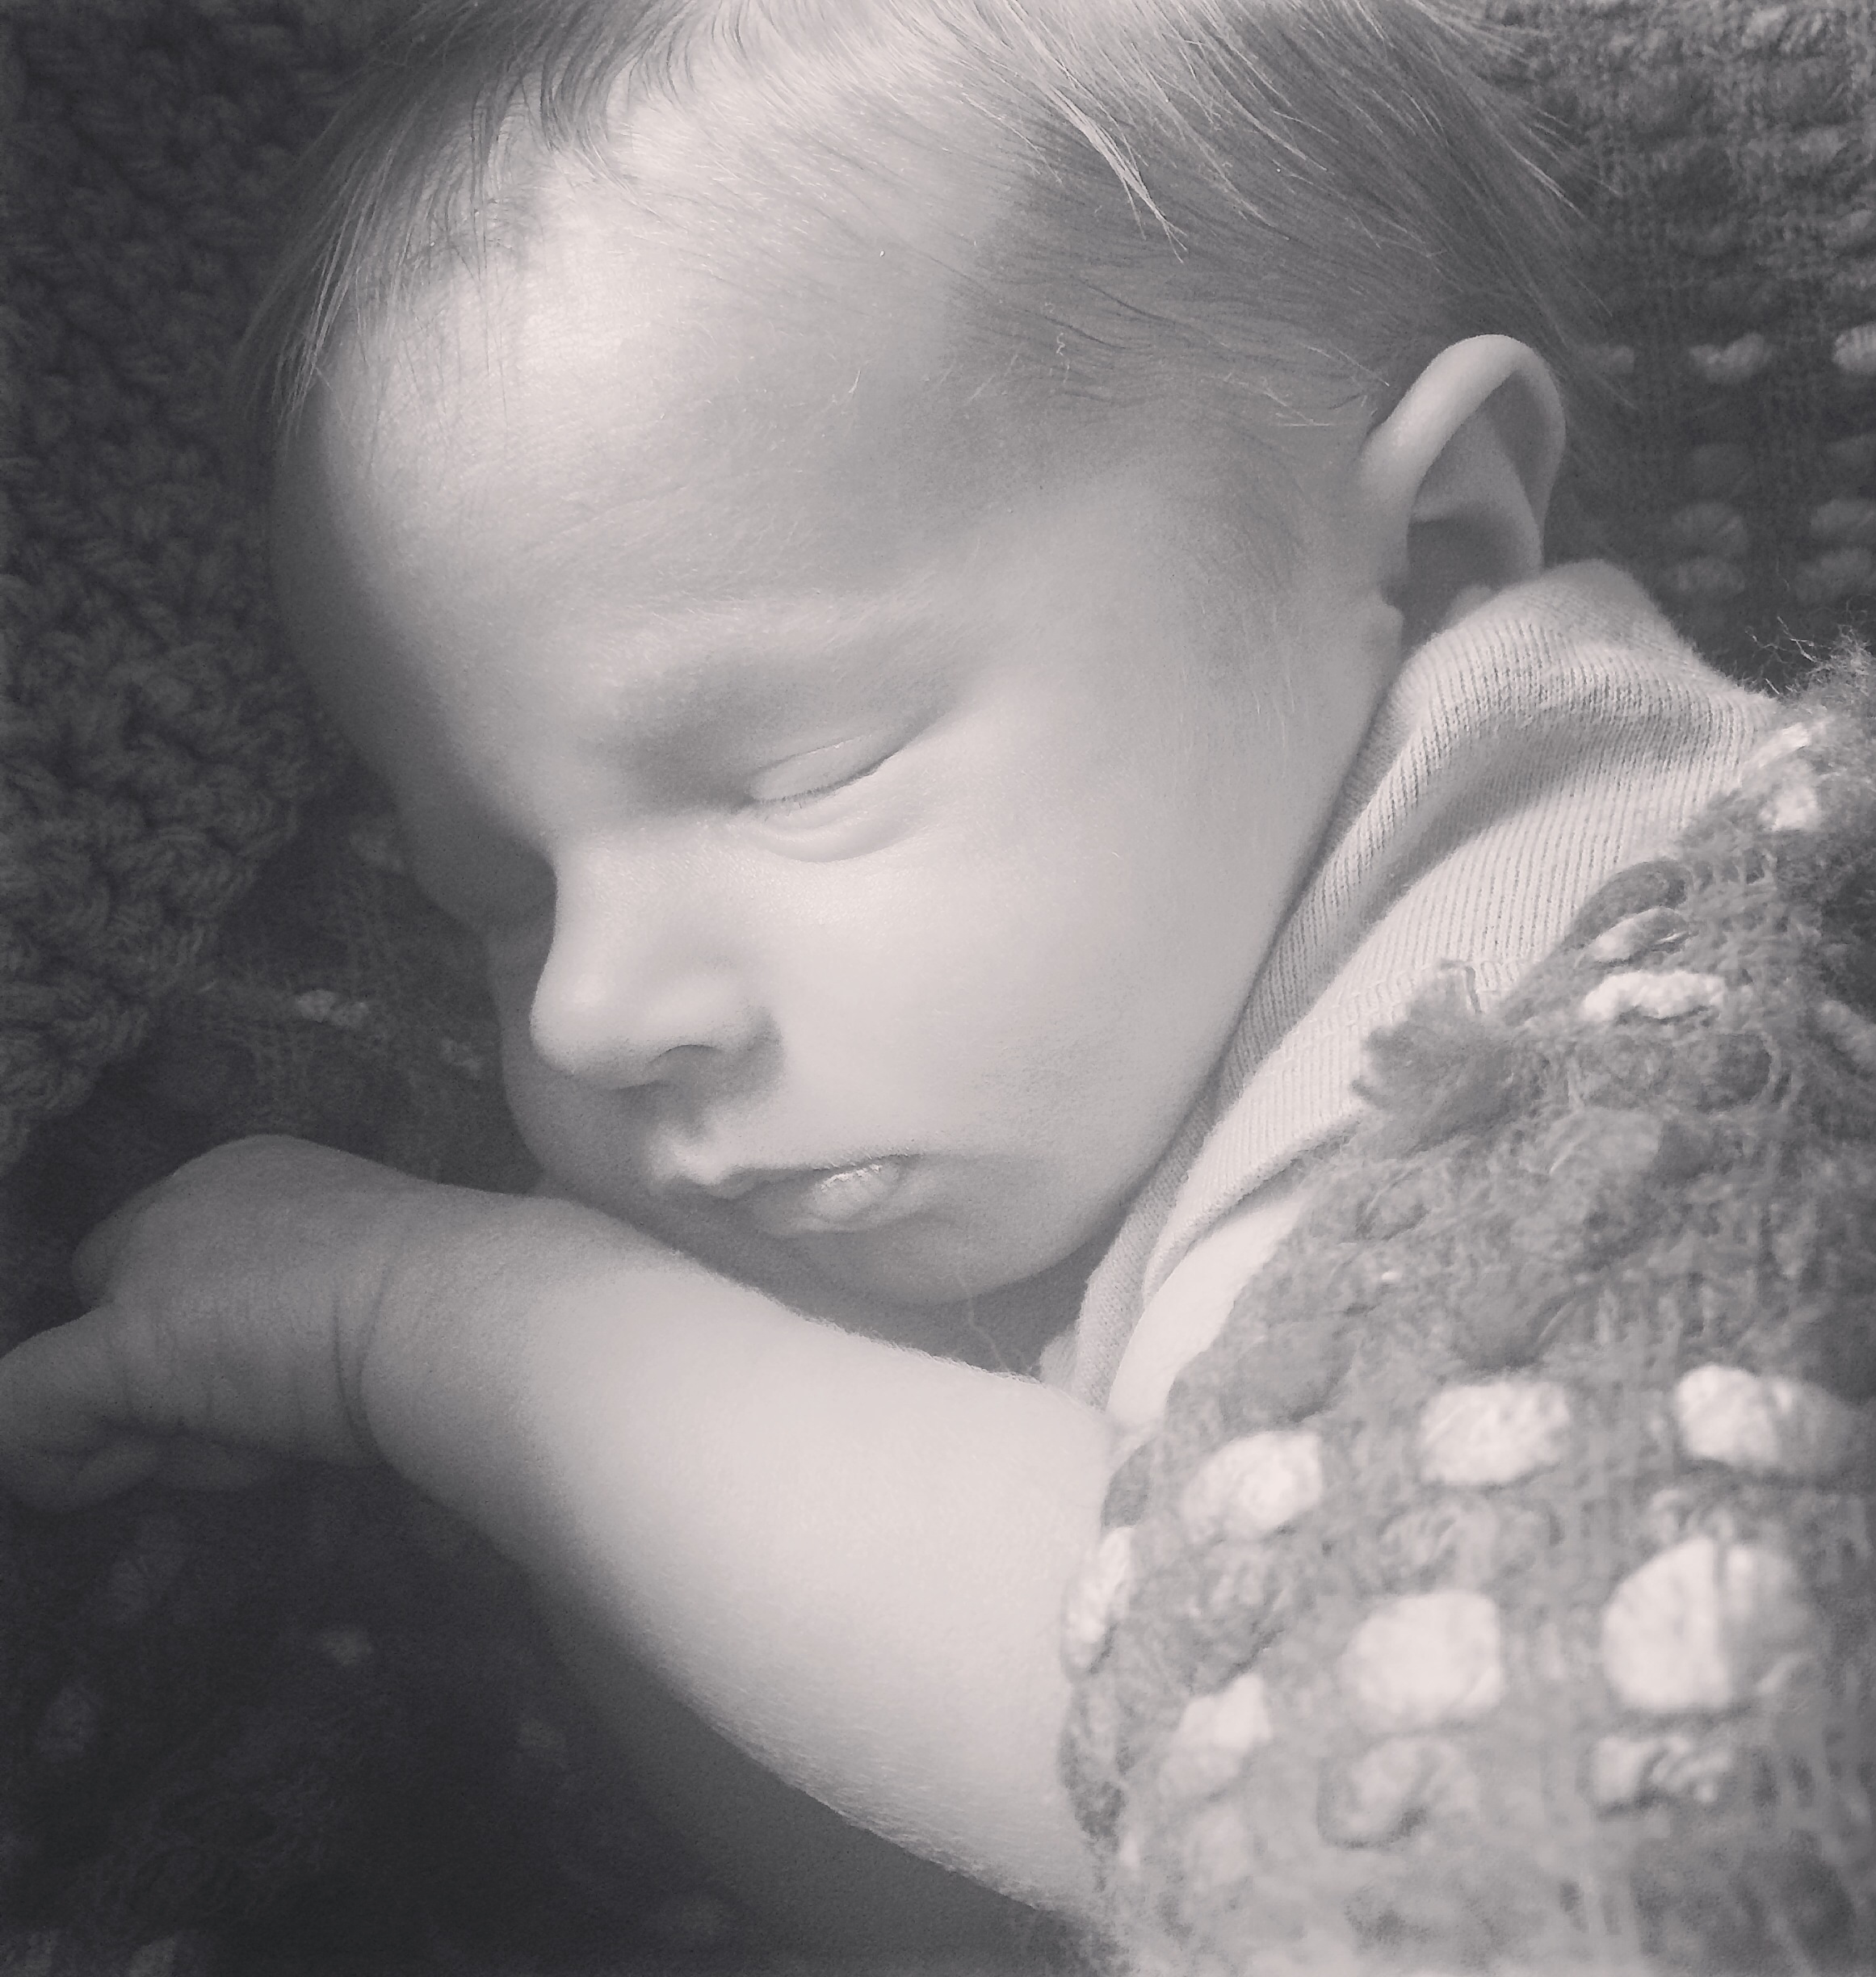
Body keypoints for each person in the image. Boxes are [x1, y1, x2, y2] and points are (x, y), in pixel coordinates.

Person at [0, 0, 1783, 1956]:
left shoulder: (1600, 920)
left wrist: (428, 1319)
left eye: (800, 774)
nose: (589, 1011)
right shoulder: (1104, 1119)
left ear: (1432, 556)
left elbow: (1245, 1705)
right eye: (494, 893)